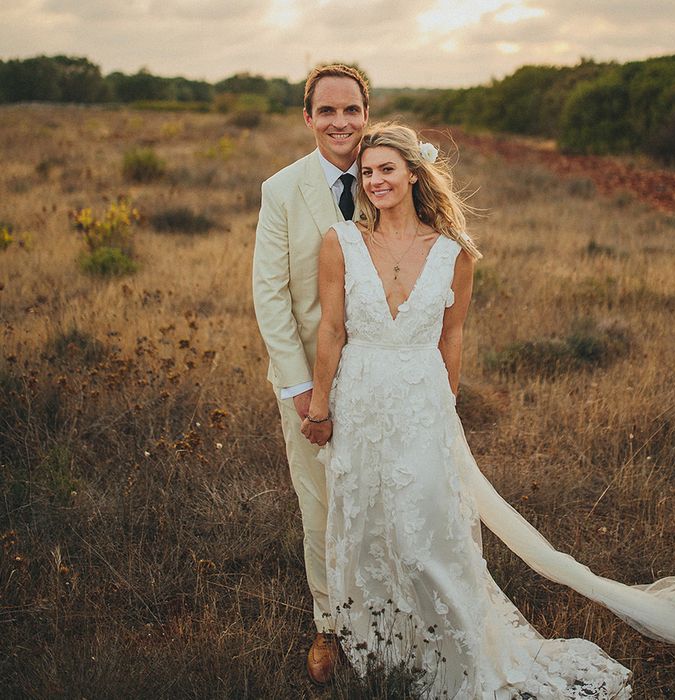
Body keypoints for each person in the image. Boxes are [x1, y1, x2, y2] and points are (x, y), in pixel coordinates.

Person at [301, 122, 675, 698]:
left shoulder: (452, 254)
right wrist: (321, 403)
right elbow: (331, 329)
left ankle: (454, 651)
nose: (374, 181)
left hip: (422, 407)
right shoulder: (340, 241)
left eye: (386, 169)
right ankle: (380, 650)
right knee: (367, 524)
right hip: (361, 398)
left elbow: (452, 339)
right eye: (366, 172)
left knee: (428, 532)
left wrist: (443, 412)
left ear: (414, 173)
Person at [251, 63, 368, 685]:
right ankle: (330, 624)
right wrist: (300, 389)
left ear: (366, 114)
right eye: (327, 110)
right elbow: (270, 295)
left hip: (378, 374)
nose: (340, 122)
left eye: (351, 109)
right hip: (306, 378)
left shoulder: (391, 177)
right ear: (308, 118)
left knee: (382, 500)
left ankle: (391, 619)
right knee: (320, 504)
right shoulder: (281, 189)